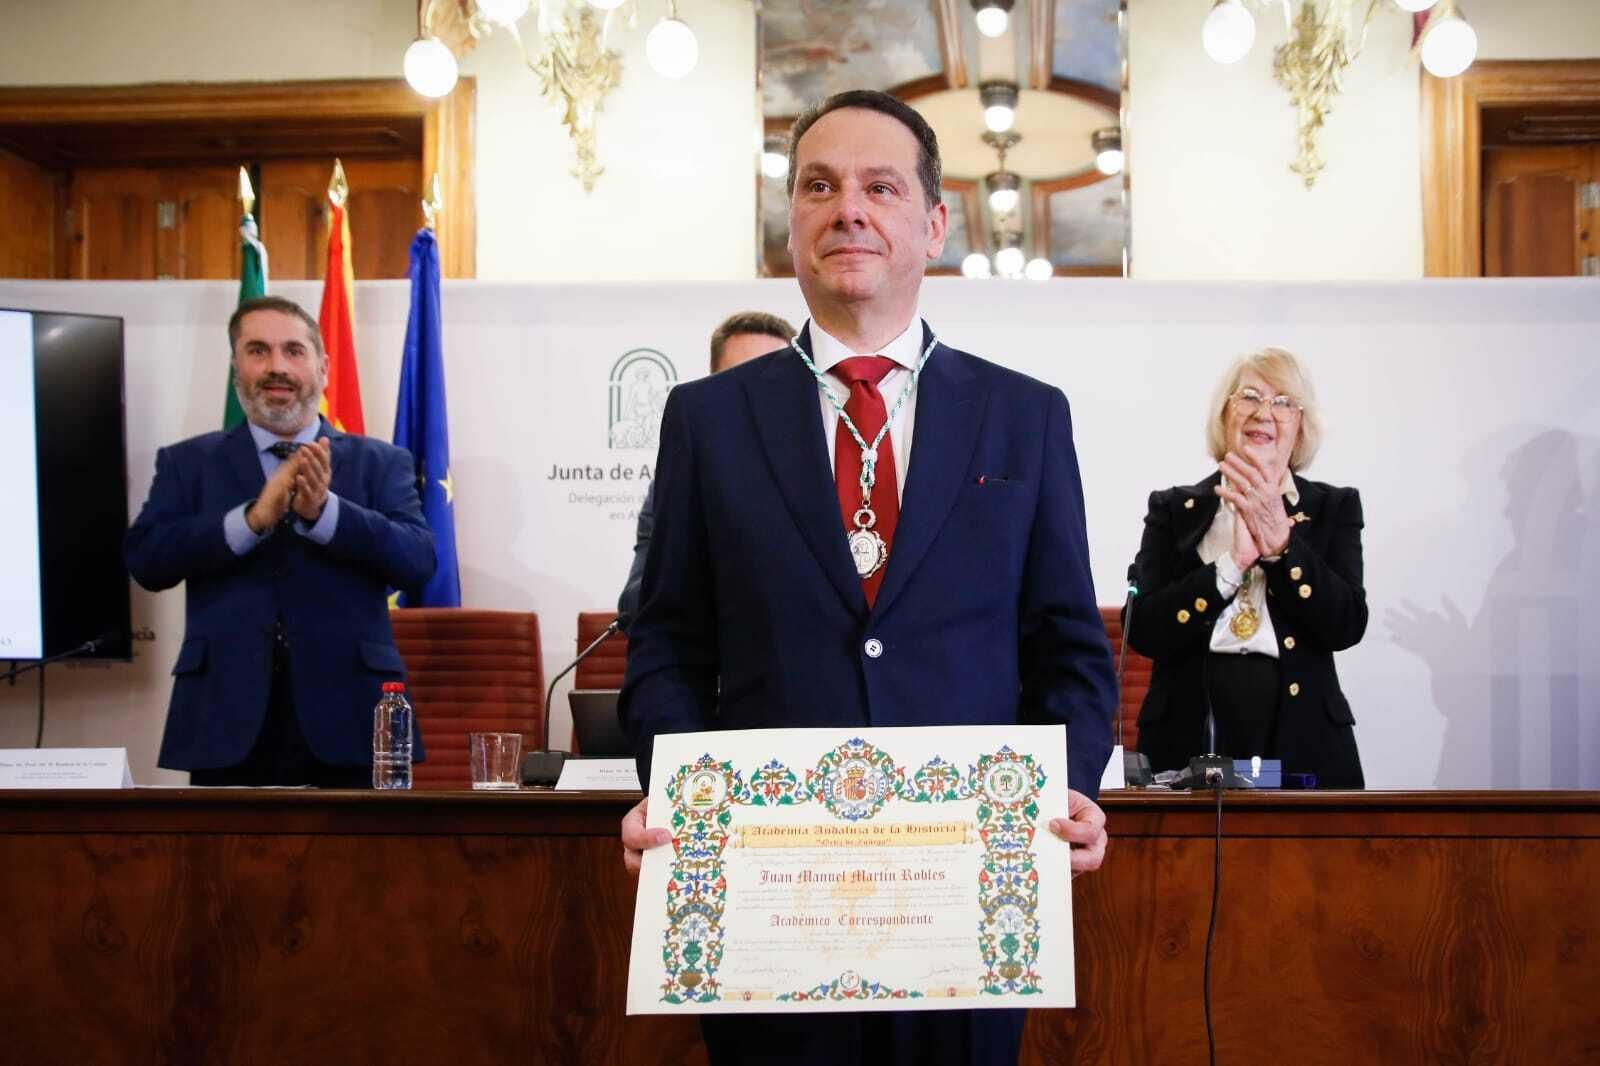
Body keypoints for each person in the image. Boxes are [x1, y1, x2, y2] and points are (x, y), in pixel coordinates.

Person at [618, 90, 1115, 1066]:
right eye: (819, 186)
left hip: (968, 902)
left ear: (933, 225)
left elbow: (1067, 648)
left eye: (879, 188)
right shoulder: (706, 420)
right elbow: (668, 642)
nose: (847, 209)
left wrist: (1067, 790)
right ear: (791, 225)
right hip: (768, 907)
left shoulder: (1025, 417)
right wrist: (677, 793)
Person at [126, 295, 435, 787]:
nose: (277, 367)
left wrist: (326, 514)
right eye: (258, 350)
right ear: (236, 367)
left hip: (352, 717)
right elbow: (147, 560)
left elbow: (417, 561)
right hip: (224, 720)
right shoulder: (188, 463)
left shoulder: (382, 462)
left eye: (293, 350)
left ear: (323, 367)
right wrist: (250, 520)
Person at [1126, 346, 1366, 788]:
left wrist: (1283, 548)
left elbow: (1346, 626)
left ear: (1300, 425)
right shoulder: (1173, 508)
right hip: (1187, 737)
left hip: (1306, 743)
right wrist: (1230, 565)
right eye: (1250, 397)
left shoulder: (1334, 507)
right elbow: (1143, 630)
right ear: (1225, 414)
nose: (1264, 413)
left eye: (1283, 402)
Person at [616, 311, 797, 632]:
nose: (757, 396)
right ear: (713, 386)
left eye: (771, 381)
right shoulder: (678, 484)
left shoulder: (831, 471)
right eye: (741, 380)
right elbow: (637, 604)